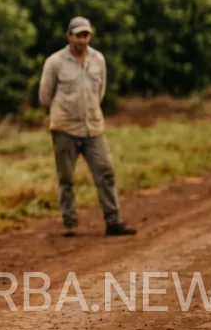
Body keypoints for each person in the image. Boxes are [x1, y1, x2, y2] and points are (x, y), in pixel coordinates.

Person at [38, 16, 138, 238]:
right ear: (69, 36)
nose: (83, 40)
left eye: (86, 35)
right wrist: (60, 114)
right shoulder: (55, 62)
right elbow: (45, 96)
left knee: (106, 172)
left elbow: (100, 91)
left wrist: (90, 110)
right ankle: (70, 223)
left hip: (93, 126)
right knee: (66, 178)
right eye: (79, 35)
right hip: (65, 127)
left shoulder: (98, 59)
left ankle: (114, 220)